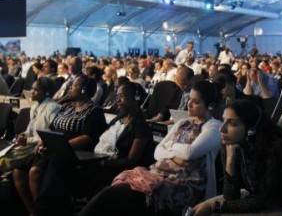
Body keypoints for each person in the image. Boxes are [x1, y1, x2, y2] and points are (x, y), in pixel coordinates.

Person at [79, 80, 222, 216]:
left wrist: (170, 148)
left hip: (183, 184)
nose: (189, 104)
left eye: (196, 102)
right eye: (189, 99)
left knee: (112, 195)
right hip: (157, 174)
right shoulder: (183, 122)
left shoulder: (214, 126)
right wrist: (178, 153)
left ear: (209, 105)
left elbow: (190, 153)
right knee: (111, 196)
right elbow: (158, 152)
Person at [30, 82, 155, 215]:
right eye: (117, 96)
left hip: (111, 169)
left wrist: (102, 162)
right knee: (58, 162)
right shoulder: (118, 119)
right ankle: (45, 211)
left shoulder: (140, 127)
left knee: (59, 174)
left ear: (135, 98)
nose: (117, 100)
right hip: (97, 161)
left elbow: (131, 160)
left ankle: (41, 211)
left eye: (122, 96)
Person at [193, 99, 282, 215]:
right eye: (223, 121)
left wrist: (216, 206)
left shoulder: (275, 149)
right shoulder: (231, 143)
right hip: (254, 198)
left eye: (232, 123)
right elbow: (230, 196)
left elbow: (263, 200)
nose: (222, 128)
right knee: (200, 209)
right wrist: (230, 160)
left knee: (215, 209)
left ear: (250, 129)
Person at [13, 75, 107, 215]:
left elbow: (89, 138)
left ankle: (42, 211)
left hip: (72, 152)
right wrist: (42, 141)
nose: (70, 87)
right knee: (18, 171)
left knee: (35, 172)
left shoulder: (95, 111)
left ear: (84, 90)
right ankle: (32, 210)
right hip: (53, 148)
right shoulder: (67, 106)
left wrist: (61, 145)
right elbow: (51, 127)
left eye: (74, 85)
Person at [0, 77, 60, 174]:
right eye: (32, 88)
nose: (31, 92)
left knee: (4, 161)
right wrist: (23, 135)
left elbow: (47, 136)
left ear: (47, 92)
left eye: (36, 90)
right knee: (2, 157)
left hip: (39, 148)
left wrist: (27, 140)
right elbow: (29, 130)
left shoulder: (53, 108)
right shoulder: (34, 107)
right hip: (29, 145)